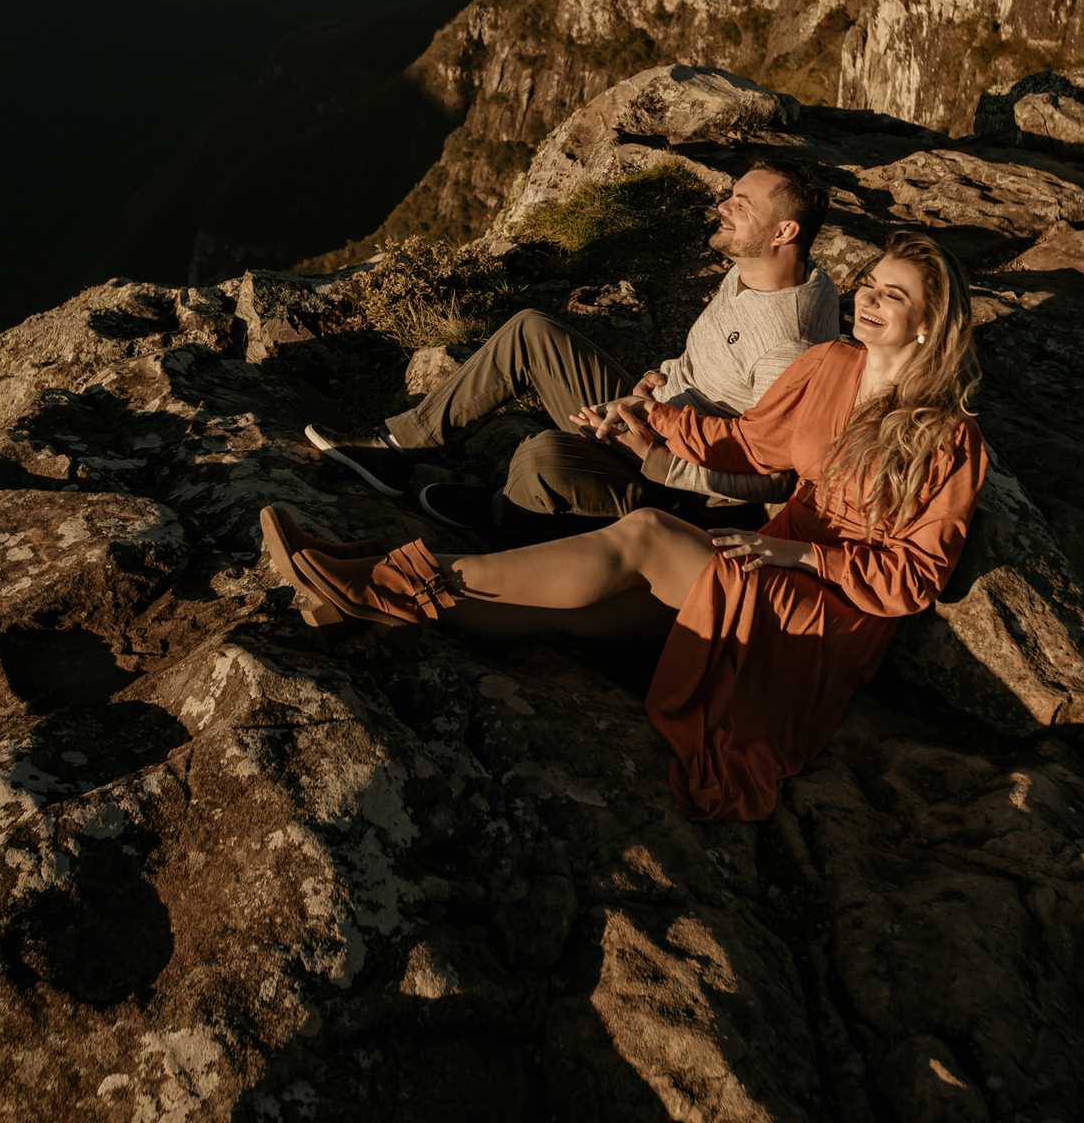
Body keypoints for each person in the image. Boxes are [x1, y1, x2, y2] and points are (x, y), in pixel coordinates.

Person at [262, 230, 986, 823]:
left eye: (896, 295)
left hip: (821, 615)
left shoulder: (953, 441)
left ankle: (385, 575)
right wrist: (650, 419)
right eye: (872, 284)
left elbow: (915, 580)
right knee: (590, 611)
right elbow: (750, 442)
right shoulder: (831, 363)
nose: (871, 300)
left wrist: (794, 554)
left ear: (929, 323)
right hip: (764, 560)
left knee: (645, 533)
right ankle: (371, 601)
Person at [304, 158, 838, 540]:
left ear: (783, 231)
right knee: (531, 329)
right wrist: (658, 380)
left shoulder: (786, 346)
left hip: (678, 486)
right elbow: (713, 364)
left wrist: (654, 459)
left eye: (740, 205)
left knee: (540, 456)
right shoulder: (763, 271)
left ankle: (505, 519)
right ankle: (400, 450)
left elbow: (777, 475)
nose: (721, 207)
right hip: (657, 418)